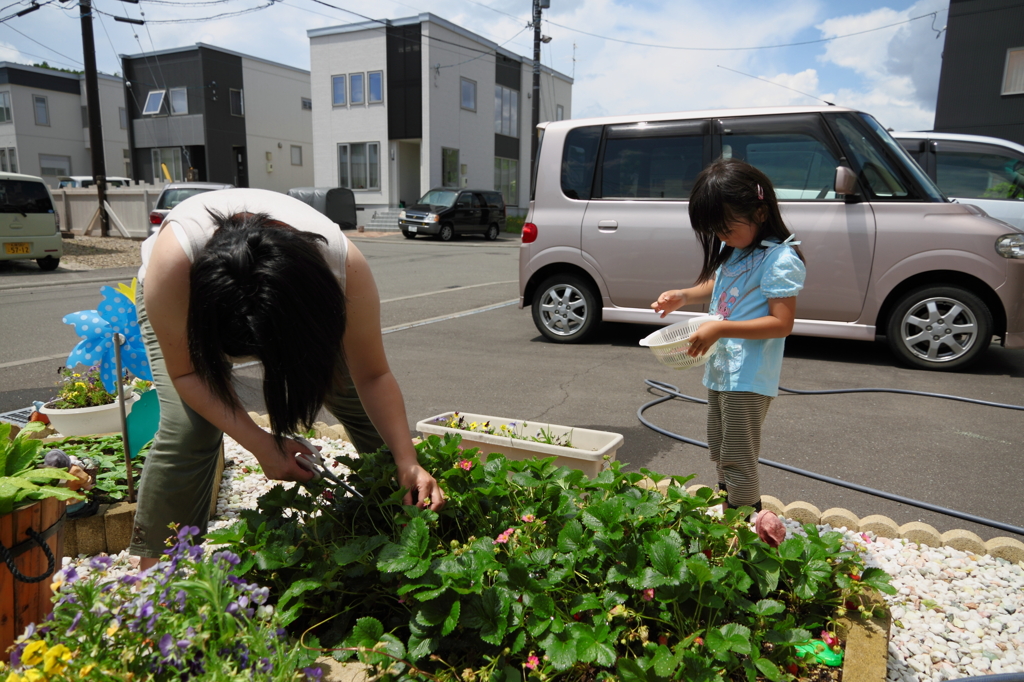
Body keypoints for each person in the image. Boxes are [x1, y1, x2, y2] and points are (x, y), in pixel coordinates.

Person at [132, 188, 444, 568]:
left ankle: (405, 520)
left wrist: (407, 458)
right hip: (185, 307)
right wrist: (261, 444)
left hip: (299, 301)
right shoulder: (172, 268)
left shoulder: (343, 269)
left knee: (353, 396)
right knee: (190, 427)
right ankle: (159, 578)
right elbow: (186, 372)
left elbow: (374, 375)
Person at [652, 158, 805, 545]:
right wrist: (684, 295)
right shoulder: (736, 249)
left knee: (738, 453)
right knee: (720, 447)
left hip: (750, 374)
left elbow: (782, 323)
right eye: (714, 230)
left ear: (760, 210)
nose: (721, 236)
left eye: (726, 227)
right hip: (723, 369)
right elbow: (717, 281)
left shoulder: (779, 258)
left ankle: (747, 525)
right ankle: (732, 511)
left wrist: (719, 326)